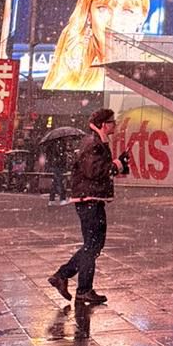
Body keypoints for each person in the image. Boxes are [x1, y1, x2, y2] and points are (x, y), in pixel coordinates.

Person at [49, 108, 117, 307]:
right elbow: (93, 171)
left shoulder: (97, 141)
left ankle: (73, 283)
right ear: (103, 124)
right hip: (89, 201)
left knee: (93, 245)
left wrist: (118, 165)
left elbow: (98, 169)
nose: (115, 125)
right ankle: (76, 284)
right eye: (112, 121)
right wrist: (116, 166)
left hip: (92, 199)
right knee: (92, 245)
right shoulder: (93, 143)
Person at [45, 133, 70, 204]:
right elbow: (59, 155)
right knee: (59, 181)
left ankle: (52, 199)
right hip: (58, 165)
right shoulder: (58, 145)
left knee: (56, 182)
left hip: (56, 164)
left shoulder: (53, 144)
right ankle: (62, 198)